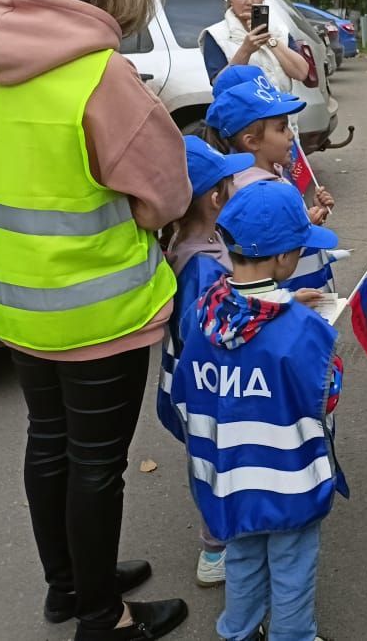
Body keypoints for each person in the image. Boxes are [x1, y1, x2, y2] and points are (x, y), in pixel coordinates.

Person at [0, 0, 190, 640]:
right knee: (97, 463)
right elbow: (164, 195)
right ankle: (106, 617)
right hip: (99, 312)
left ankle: (69, 586)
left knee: (47, 442)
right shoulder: (98, 77)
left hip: (15, 302)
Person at [171, 182, 347, 641]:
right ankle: (293, 636)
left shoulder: (200, 313)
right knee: (292, 563)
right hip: (287, 478)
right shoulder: (304, 330)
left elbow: (188, 387)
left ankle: (238, 630)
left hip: (225, 475)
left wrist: (289, 303)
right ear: (285, 260)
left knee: (244, 555)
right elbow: (325, 397)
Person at [157, 136, 255, 587]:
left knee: (209, 460)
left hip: (188, 385)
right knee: (214, 464)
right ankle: (216, 551)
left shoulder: (189, 241)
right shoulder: (204, 269)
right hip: (206, 390)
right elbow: (211, 336)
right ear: (217, 197)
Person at [205, 79, 334, 221]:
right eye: (282, 128)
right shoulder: (258, 196)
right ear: (252, 142)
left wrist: (313, 215)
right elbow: (277, 242)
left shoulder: (273, 172)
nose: (291, 135)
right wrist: (307, 226)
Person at [200, 0, 308, 91]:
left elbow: (301, 73)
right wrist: (245, 50)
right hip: (244, 110)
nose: (249, 1)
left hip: (282, 108)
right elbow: (220, 86)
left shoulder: (279, 29)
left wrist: (270, 40)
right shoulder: (215, 34)